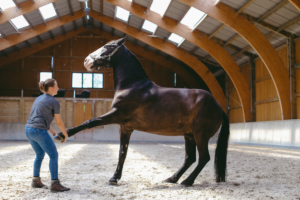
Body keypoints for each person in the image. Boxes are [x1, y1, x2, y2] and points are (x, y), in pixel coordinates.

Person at [25, 79, 70, 193]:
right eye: (57, 86)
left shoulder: (39, 98)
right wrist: (65, 135)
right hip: (39, 130)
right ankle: (55, 184)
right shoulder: (54, 102)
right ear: (51, 88)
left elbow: (40, 119)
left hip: (28, 129)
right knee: (54, 155)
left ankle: (36, 181)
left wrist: (54, 133)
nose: (58, 88)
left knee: (39, 154)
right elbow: (59, 122)